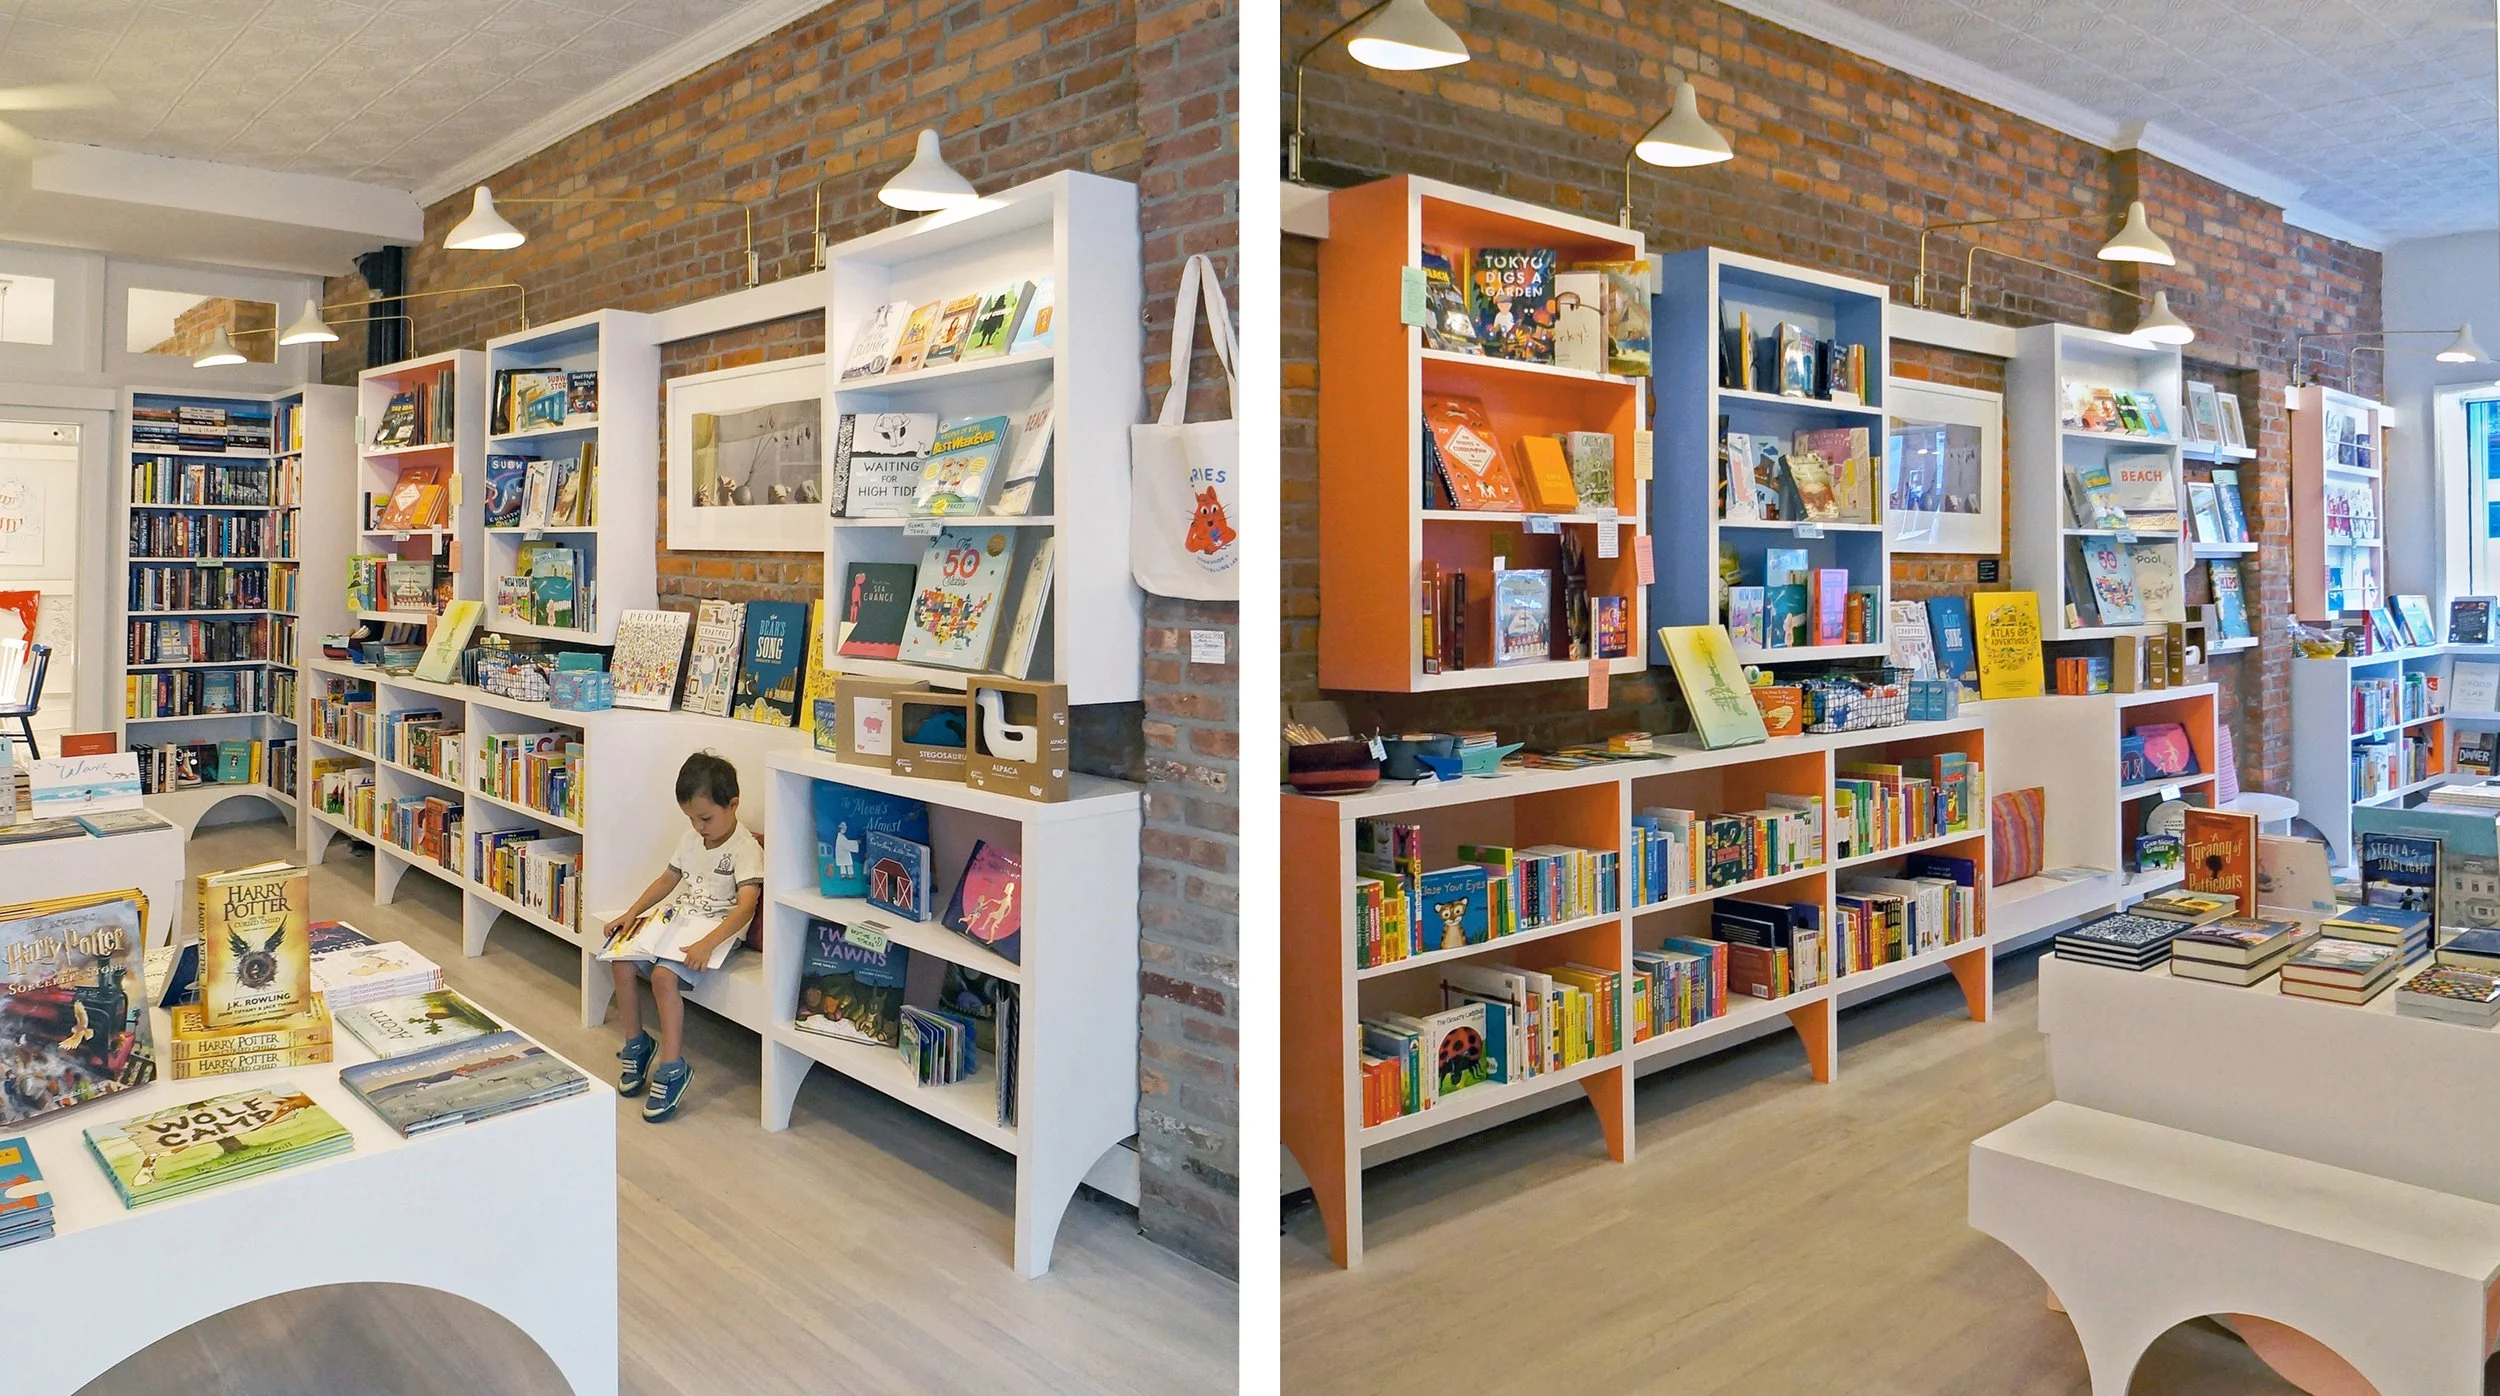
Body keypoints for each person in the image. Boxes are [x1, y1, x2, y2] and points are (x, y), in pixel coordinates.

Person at [602, 752, 761, 1122]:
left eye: (705, 818)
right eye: (691, 818)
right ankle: (637, 1044)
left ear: (733, 804)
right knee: (620, 958)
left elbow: (745, 908)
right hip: (680, 921)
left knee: (662, 977)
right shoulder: (691, 839)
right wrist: (630, 913)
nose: (699, 826)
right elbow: (667, 880)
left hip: (714, 933)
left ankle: (673, 1068)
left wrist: (708, 943)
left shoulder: (745, 848)